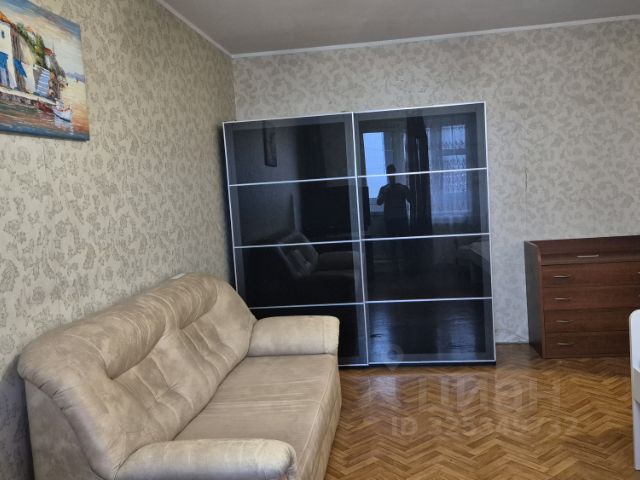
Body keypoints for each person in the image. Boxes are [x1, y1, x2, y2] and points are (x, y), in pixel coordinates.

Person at [377, 164, 411, 237]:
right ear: (387, 174)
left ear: (395, 173)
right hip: (390, 219)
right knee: (392, 242)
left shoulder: (403, 188)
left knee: (404, 241)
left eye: (392, 172)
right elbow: (378, 202)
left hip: (401, 219)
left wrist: (405, 191)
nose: (391, 175)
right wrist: (386, 192)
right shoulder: (384, 189)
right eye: (389, 172)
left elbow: (411, 200)